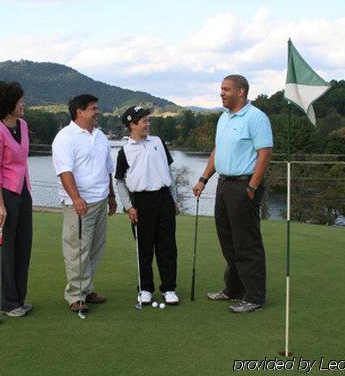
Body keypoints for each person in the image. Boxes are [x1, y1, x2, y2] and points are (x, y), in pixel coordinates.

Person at [192, 74, 273, 313]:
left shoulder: (256, 117)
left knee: (246, 243)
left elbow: (265, 153)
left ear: (241, 92)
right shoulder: (223, 118)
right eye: (221, 89)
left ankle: (254, 297)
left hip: (244, 185)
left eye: (226, 89)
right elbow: (219, 150)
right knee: (227, 240)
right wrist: (203, 179)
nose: (222, 93)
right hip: (224, 185)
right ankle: (234, 289)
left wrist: (252, 186)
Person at [51, 94, 117, 313]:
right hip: (79, 204)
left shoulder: (100, 137)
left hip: (100, 200)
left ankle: (87, 289)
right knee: (77, 249)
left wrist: (111, 195)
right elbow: (64, 171)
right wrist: (76, 198)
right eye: (93, 108)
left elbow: (108, 169)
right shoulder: (65, 137)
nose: (97, 111)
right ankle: (74, 295)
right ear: (79, 111)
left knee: (95, 249)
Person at [115, 106, 180, 306]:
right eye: (143, 120)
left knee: (167, 247)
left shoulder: (158, 142)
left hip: (164, 199)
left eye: (147, 120)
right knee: (143, 248)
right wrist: (128, 207)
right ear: (132, 125)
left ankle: (169, 288)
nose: (147, 123)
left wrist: (174, 199)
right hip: (141, 202)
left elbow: (170, 173)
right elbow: (119, 181)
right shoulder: (125, 151)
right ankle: (145, 289)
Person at [0, 81, 33, 317]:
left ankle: (18, 299)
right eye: (19, 100)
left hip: (23, 192)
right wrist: (0, 205)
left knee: (23, 247)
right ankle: (5, 303)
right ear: (8, 105)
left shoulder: (22, 126)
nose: (23, 104)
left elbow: (22, 162)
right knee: (6, 251)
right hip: (1, 194)